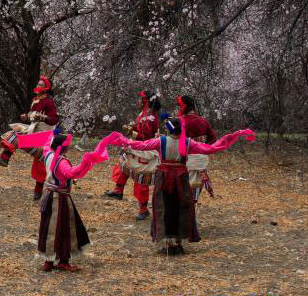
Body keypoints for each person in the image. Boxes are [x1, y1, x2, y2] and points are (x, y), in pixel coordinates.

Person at [104, 118, 254, 256]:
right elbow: (209, 149)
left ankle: (167, 242)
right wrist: (230, 138)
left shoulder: (161, 141)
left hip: (163, 178)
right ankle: (178, 241)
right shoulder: (187, 143)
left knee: (163, 207)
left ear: (169, 130)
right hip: (181, 178)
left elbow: (141, 146)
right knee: (180, 207)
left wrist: (122, 140)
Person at [20, 130, 115, 272]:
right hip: (61, 199)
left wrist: (55, 132)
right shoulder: (61, 161)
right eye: (66, 145)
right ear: (62, 147)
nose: (68, 147)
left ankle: (49, 261)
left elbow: (47, 145)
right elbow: (70, 173)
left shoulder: (48, 155)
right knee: (64, 228)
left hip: (49, 196)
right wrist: (86, 161)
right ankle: (63, 261)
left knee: (49, 229)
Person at [0, 75, 60, 200]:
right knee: (12, 134)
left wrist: (43, 117)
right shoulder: (36, 100)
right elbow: (34, 117)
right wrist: (27, 117)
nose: (38, 86)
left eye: (41, 85)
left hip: (43, 136)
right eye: (38, 84)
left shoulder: (48, 102)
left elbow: (55, 119)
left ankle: (38, 191)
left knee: (40, 164)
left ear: (46, 88)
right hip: (34, 133)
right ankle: (5, 157)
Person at [104, 91, 161, 219]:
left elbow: (145, 136)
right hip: (136, 147)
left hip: (144, 149)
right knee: (123, 164)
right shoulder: (145, 114)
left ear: (145, 101)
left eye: (141, 99)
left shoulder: (150, 116)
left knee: (141, 178)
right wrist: (133, 127)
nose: (138, 101)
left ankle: (143, 209)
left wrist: (131, 131)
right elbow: (140, 128)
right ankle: (118, 191)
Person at [177, 95, 217, 203]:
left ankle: (185, 214)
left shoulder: (181, 121)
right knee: (195, 188)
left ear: (184, 106)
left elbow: (177, 142)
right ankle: (191, 211)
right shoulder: (203, 121)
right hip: (201, 162)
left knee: (182, 190)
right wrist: (203, 148)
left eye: (179, 106)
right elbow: (212, 139)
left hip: (185, 161)